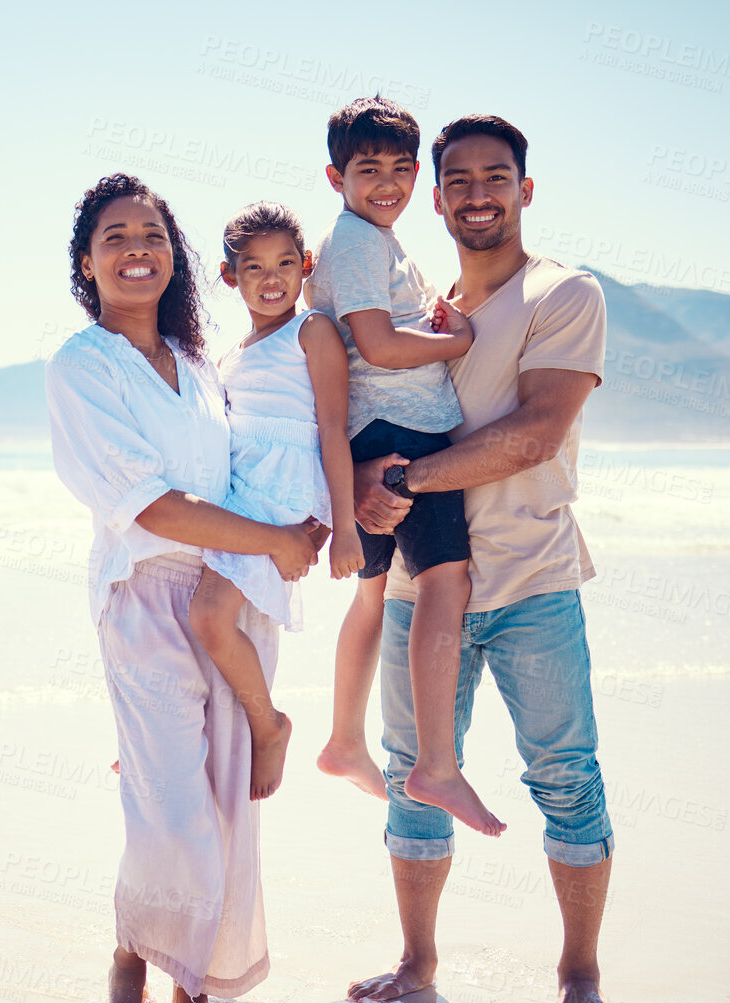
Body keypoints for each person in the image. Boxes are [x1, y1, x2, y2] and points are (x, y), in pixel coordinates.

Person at [345, 115, 616, 1003]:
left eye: (494, 177)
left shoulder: (562, 292)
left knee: (564, 776)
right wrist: (355, 484)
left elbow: (537, 432)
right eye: (455, 179)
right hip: (421, 590)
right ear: (434, 196)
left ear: (524, 191)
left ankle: (578, 971)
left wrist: (403, 482)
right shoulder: (425, 310)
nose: (475, 193)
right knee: (410, 772)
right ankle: (417, 962)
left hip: (532, 579)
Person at [44, 173, 320, 1003]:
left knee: (224, 807)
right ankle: (134, 946)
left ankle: (192, 989)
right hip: (144, 592)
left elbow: (270, 451)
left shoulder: (202, 368)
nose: (137, 250)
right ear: (87, 264)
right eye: (116, 237)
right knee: (171, 810)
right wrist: (275, 540)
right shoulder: (81, 366)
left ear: (177, 258)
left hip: (227, 593)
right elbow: (149, 502)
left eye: (153, 236)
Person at [307, 97, 505, 837]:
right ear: (336, 177)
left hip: (377, 432)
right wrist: (456, 345)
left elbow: (389, 328)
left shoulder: (371, 242)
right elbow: (379, 346)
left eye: (398, 168)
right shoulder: (359, 240)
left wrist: (436, 319)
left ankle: (344, 741)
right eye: (367, 170)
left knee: (370, 599)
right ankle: (435, 765)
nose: (385, 183)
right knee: (443, 585)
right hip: (406, 432)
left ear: (414, 173)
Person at [187, 201, 357, 804]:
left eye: (286, 263)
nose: (272, 278)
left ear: (306, 266)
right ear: (230, 276)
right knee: (201, 620)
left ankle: (270, 725)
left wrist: (345, 528)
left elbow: (333, 427)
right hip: (243, 489)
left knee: (209, 617)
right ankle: (167, 734)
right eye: (254, 267)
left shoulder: (311, 331)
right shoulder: (231, 352)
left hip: (281, 492)